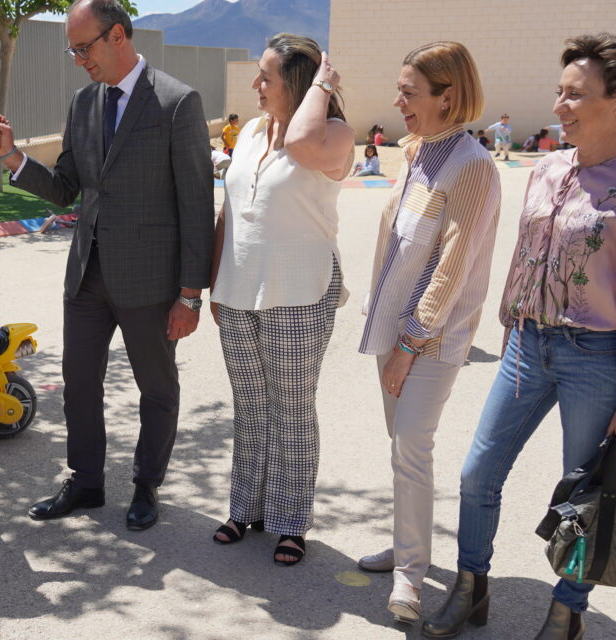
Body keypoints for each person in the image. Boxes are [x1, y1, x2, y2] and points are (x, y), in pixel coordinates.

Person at [424, 33, 616, 640]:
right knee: (478, 473)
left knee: (584, 501)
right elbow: (521, 255)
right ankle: (470, 587)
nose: (560, 106)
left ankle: (568, 612)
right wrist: (511, 325)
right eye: (558, 93)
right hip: (525, 348)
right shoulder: (546, 169)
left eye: (575, 95)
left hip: (595, 358)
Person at [0, 0, 213, 532]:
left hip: (152, 282)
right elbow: (67, 187)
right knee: (78, 383)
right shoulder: (83, 103)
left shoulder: (178, 103)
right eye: (73, 49)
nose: (77, 59)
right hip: (87, 274)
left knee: (156, 388)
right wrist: (14, 158)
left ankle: (146, 486)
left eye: (82, 47)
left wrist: (190, 295)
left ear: (117, 36)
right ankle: (86, 481)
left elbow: (197, 207)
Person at [354, 41, 501, 624]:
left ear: (448, 96)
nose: (398, 102)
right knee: (402, 449)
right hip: (394, 330)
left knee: (412, 447)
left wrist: (410, 345)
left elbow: (453, 265)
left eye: (410, 92)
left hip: (429, 339)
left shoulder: (473, 166)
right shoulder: (417, 151)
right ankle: (408, 544)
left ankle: (409, 576)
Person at [207, 34, 353, 567]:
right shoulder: (248, 132)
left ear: (298, 83)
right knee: (249, 406)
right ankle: (246, 507)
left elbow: (303, 145)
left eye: (266, 77)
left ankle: (290, 522)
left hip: (299, 293)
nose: (255, 85)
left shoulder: (332, 134)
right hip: (239, 290)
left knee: (291, 409)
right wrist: (215, 281)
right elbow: (228, 209)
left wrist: (323, 86)